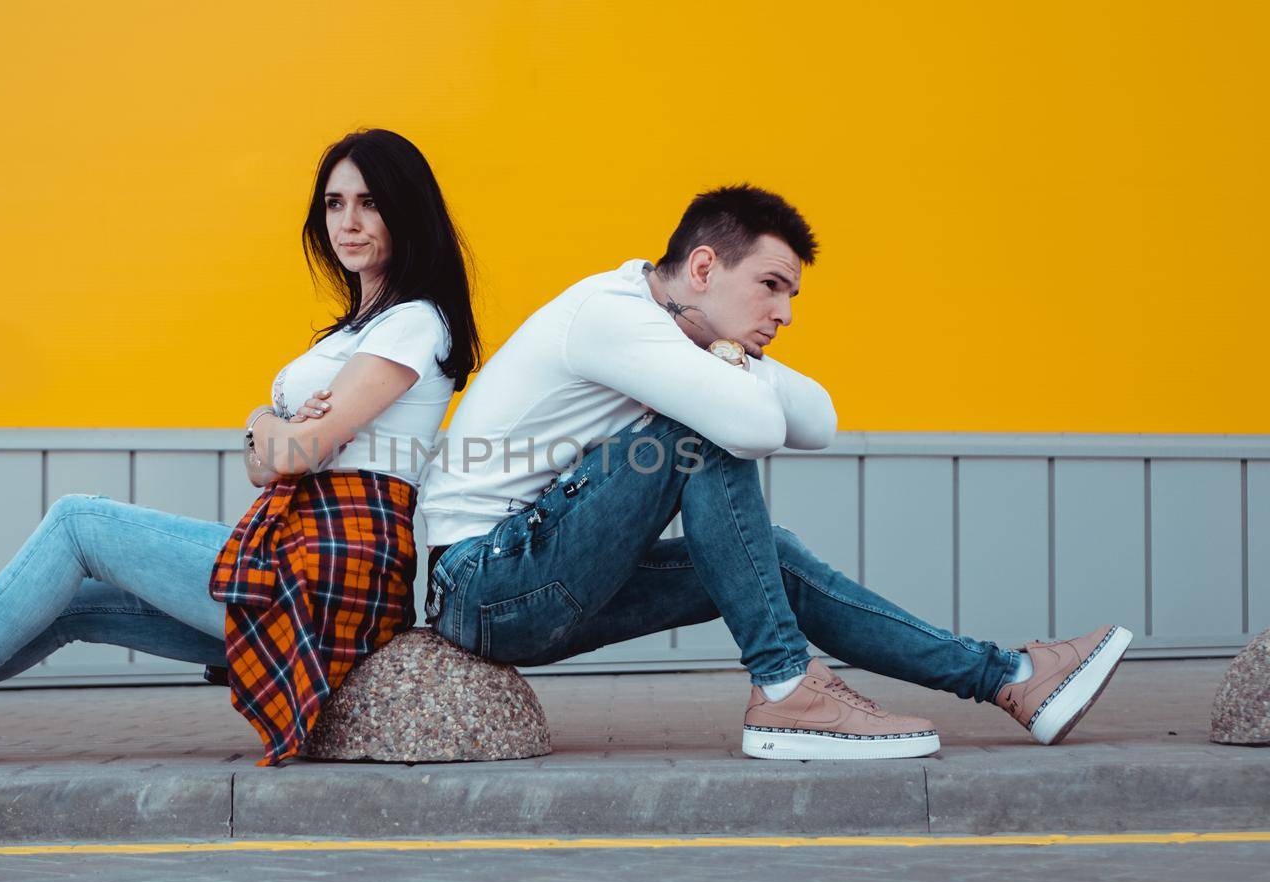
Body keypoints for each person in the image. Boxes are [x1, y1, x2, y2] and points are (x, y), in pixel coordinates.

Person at [0, 127, 482, 770]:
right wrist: (269, 421)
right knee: (73, 602)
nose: (348, 221)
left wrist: (281, 433)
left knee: (79, 522)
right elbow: (267, 460)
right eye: (335, 203)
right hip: (285, 548)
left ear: (405, 212)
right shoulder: (354, 333)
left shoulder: (415, 321)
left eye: (370, 203)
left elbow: (294, 454)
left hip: (329, 569)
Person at [398, 183, 1129, 760]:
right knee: (701, 431)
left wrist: (728, 354)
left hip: (536, 583)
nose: (785, 312)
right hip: (484, 581)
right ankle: (785, 684)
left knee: (770, 556)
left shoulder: (683, 332)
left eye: (792, 295)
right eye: (771, 286)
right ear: (705, 266)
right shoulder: (608, 314)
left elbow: (819, 419)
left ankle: (1011, 679)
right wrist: (732, 368)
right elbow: (752, 426)